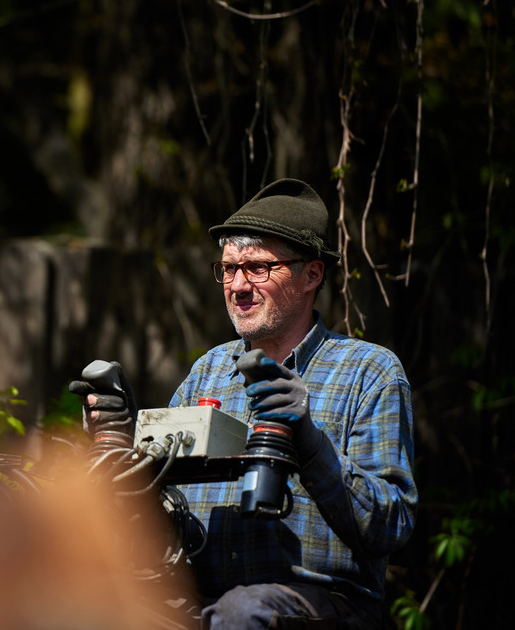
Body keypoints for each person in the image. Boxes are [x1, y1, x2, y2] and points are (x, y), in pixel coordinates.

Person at [166, 178, 418, 628]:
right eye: (228, 268)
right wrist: (115, 445)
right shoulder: (207, 370)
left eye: (258, 267)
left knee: (243, 611)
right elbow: (162, 510)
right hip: (199, 600)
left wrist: (310, 444)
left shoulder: (369, 371)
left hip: (323, 607)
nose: (237, 285)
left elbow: (391, 526)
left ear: (312, 274)